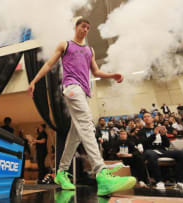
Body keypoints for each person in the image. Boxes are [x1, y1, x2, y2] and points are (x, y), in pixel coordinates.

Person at [27, 18, 136, 196]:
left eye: (88, 27)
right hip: (71, 87)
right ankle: (102, 173)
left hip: (84, 92)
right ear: (76, 27)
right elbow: (48, 64)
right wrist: (34, 82)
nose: (85, 30)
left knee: (76, 133)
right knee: (86, 123)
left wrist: (111, 75)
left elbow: (96, 72)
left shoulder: (89, 50)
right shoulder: (66, 44)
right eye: (82, 26)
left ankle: (61, 172)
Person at [138, 112, 183, 191]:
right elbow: (144, 144)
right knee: (150, 154)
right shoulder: (141, 131)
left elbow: (167, 145)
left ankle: (180, 182)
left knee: (182, 154)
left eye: (148, 116)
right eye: (144, 117)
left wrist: (163, 135)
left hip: (162, 150)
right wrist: (154, 134)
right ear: (143, 120)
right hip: (149, 151)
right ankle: (159, 182)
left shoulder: (159, 128)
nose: (146, 118)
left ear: (152, 118)